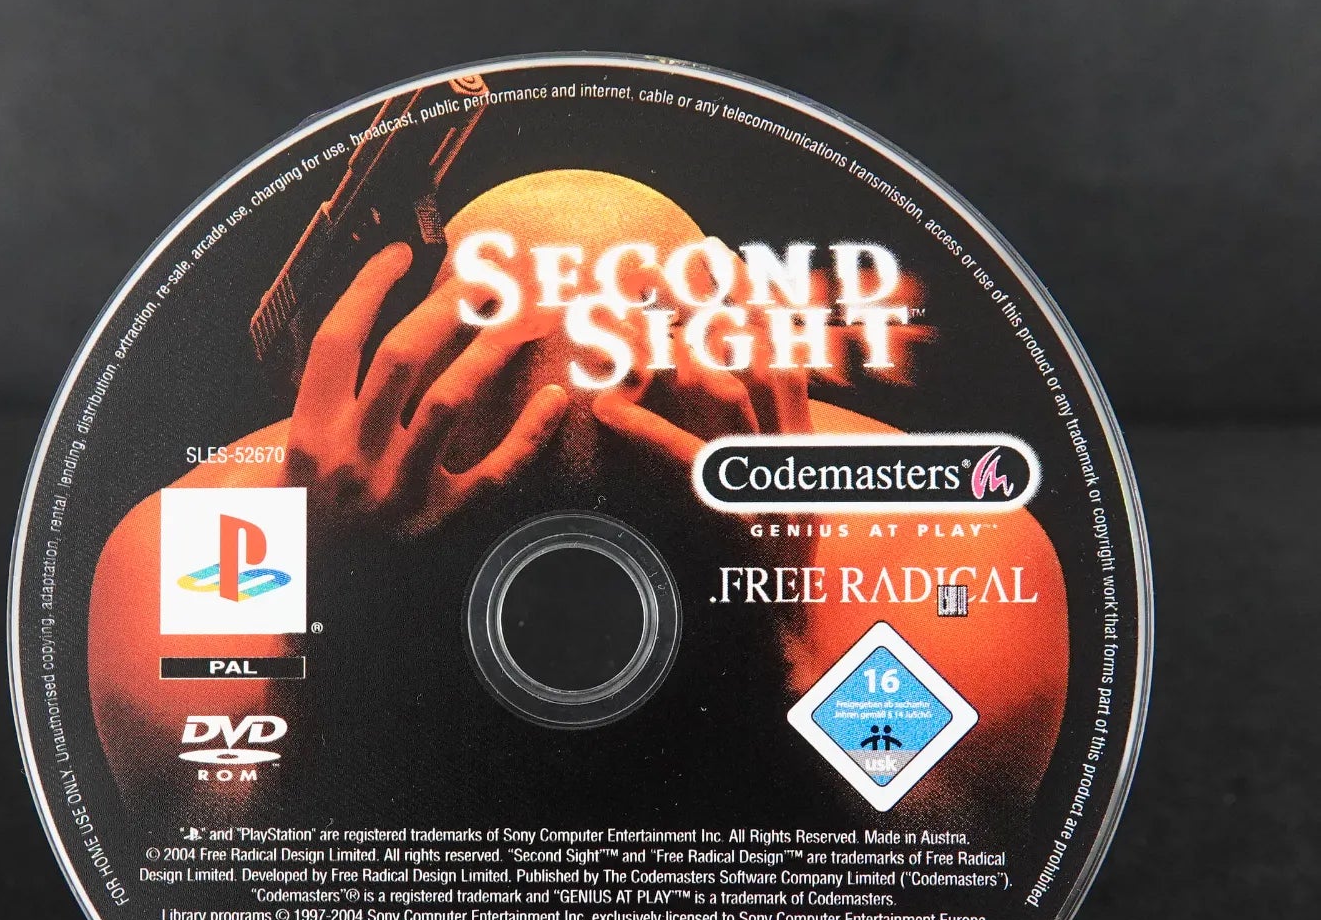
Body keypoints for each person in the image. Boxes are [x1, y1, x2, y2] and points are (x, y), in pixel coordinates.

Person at [89, 170, 1066, 834]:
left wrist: (775, 628)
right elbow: (205, 877)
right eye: (494, 364)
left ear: (742, 365)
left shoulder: (945, 542)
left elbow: (953, 864)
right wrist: (338, 622)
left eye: (646, 369)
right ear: (415, 373)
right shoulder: (210, 536)